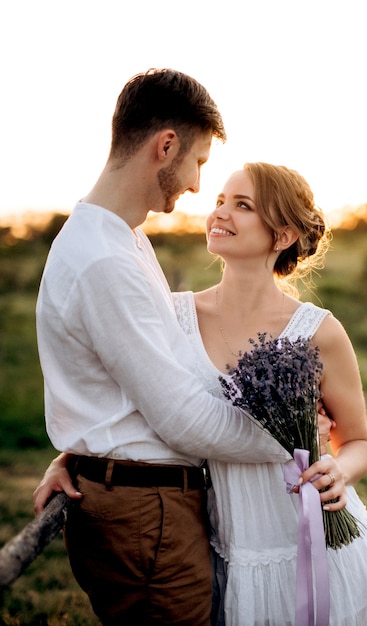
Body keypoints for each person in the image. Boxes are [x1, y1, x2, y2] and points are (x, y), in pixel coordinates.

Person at [35, 160, 367, 625]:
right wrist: (72, 456)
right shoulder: (174, 315)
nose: (220, 213)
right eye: (219, 201)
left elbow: (358, 441)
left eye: (243, 205)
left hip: (318, 542)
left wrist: (339, 469)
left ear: (283, 235)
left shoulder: (320, 332)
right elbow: (134, 402)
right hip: (231, 544)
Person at [34, 69, 313, 626]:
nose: (194, 185)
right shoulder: (104, 259)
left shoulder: (124, 239)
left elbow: (151, 378)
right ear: (166, 147)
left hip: (150, 507)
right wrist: (295, 442)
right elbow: (183, 417)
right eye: (199, 162)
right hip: (147, 519)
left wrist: (86, 445)